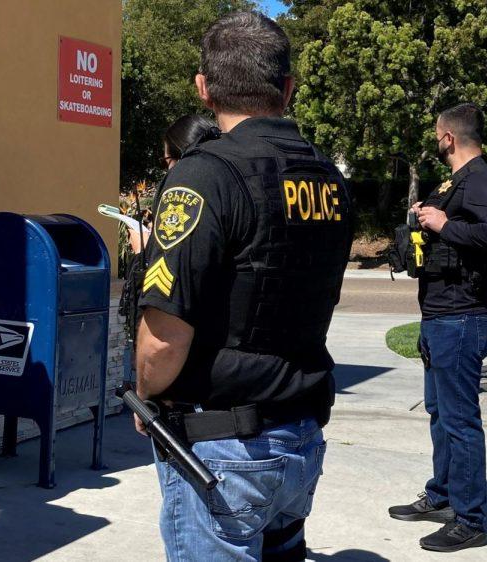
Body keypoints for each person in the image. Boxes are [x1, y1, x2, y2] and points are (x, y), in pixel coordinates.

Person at [134, 12, 353, 561]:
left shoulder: (203, 174)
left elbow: (163, 335)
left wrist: (146, 396)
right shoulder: (327, 176)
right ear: (288, 88)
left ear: (203, 89)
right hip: (299, 434)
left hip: (225, 449)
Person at [388, 103, 487, 553]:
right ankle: (442, 496)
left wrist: (444, 224)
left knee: (460, 420)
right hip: (440, 314)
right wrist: (429, 216)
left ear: (448, 138)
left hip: (462, 316)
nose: (435, 140)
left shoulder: (479, 177)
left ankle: (470, 519)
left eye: (437, 134)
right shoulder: (456, 182)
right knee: (440, 413)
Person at [127, 114, 216, 254]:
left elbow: (170, 268)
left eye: (165, 162)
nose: (167, 171)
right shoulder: (230, 184)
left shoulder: (186, 194)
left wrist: (141, 251)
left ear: (180, 158)